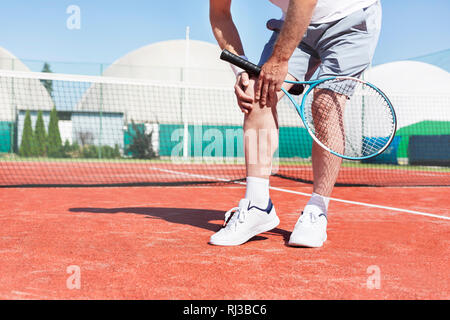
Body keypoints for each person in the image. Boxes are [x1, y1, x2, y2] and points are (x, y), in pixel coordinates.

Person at [209, 0, 382, 247]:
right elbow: (220, 14)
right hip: (295, 20)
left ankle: (317, 209)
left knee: (325, 105)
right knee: (258, 94)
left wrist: (279, 59)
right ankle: (258, 206)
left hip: (351, 17)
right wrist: (241, 71)